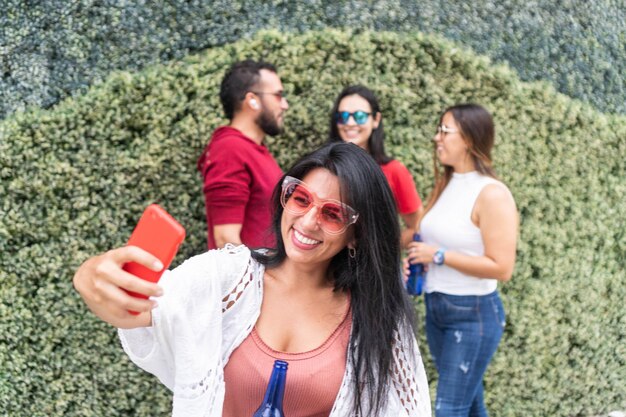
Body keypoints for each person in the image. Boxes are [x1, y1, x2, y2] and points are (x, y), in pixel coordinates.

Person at [73, 142, 432, 417]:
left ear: (357, 234)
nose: (307, 221)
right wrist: (91, 275)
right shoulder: (228, 277)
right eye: (301, 198)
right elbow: (143, 309)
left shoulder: (378, 320)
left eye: (333, 214)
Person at [406, 104, 518, 417]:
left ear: (468, 138)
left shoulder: (492, 193)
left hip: (473, 316)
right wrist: (420, 260)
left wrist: (438, 256)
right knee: (469, 406)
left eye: (444, 130)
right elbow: (429, 238)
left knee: (447, 410)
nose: (436, 137)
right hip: (437, 307)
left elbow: (502, 266)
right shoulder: (446, 183)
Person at [197, 59, 289, 249]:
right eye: (278, 95)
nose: (285, 105)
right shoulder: (230, 149)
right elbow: (225, 239)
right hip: (252, 277)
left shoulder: (253, 149)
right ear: (252, 100)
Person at [328, 85, 423, 248]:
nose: (350, 123)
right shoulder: (325, 167)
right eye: (343, 116)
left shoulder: (394, 171)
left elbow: (416, 225)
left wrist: (380, 252)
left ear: (376, 120)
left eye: (359, 116)